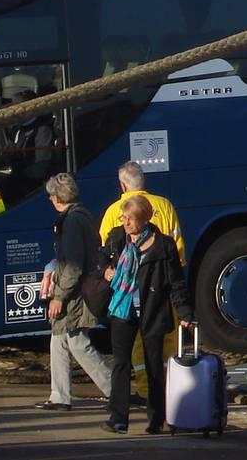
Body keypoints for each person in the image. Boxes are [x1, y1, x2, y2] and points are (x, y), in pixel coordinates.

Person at [100, 195, 192, 434]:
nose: (125, 222)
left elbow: (176, 282)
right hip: (123, 308)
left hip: (152, 310)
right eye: (124, 217)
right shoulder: (118, 238)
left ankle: (156, 419)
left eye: (130, 219)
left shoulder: (164, 246)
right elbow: (101, 259)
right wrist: (106, 270)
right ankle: (118, 418)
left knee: (153, 366)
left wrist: (184, 311)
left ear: (144, 220)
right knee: (121, 363)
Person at [37, 173, 112, 411]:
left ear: (58, 198)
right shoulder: (82, 216)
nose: (50, 200)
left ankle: (115, 390)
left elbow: (73, 265)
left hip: (74, 295)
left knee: (77, 342)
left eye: (51, 196)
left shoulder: (70, 222)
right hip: (78, 289)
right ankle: (59, 396)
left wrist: (59, 296)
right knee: (59, 340)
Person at [98, 162, 184, 260]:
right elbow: (177, 241)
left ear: (123, 186)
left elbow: (104, 247)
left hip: (128, 270)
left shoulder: (112, 211)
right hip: (161, 268)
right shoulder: (165, 205)